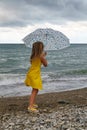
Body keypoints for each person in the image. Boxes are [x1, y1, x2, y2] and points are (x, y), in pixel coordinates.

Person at [24, 41, 48, 113]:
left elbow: (35, 63)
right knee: (35, 90)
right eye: (42, 47)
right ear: (40, 49)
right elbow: (46, 64)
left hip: (32, 73)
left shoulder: (33, 56)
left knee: (35, 89)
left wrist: (42, 56)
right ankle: (30, 106)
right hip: (35, 74)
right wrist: (43, 57)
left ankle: (32, 103)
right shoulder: (40, 56)